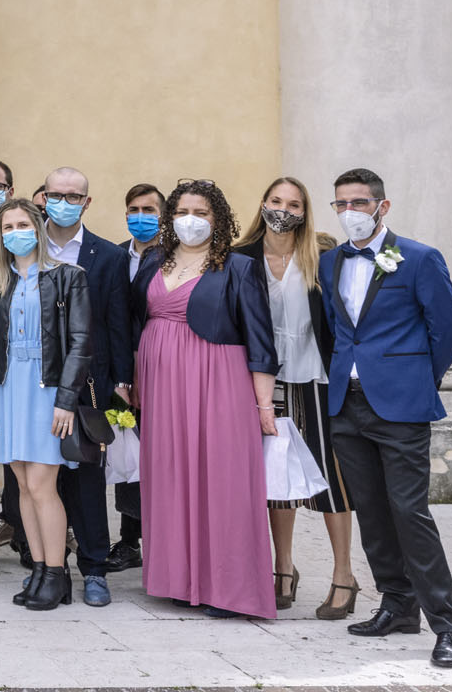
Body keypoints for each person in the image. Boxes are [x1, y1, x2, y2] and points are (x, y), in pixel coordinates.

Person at [319, 168, 452, 668]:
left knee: (409, 511)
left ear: (383, 206)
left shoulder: (420, 258)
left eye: (359, 202)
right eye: (340, 204)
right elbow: (337, 328)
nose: (349, 213)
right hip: (346, 403)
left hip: (401, 404)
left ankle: (447, 624)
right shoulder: (329, 262)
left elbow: (446, 327)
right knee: (372, 512)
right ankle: (397, 605)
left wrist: (420, 380)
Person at [130, 180, 277, 620]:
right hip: (160, 380)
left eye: (202, 213)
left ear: (219, 220)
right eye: (182, 212)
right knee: (171, 474)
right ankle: (179, 578)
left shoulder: (238, 267)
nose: (191, 220)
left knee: (223, 477)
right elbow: (134, 321)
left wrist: (264, 405)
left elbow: (260, 339)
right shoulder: (152, 260)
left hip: (219, 377)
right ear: (170, 217)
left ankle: (227, 587)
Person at [235, 176, 356, 618]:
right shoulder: (239, 259)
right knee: (276, 479)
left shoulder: (322, 258)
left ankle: (344, 573)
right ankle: (282, 569)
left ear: (305, 212)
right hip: (263, 381)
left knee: (329, 475)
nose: (283, 209)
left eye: (293, 203)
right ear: (263, 203)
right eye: (275, 200)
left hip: (316, 378)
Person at [0, 200, 92, 611]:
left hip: (46, 392)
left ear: (38, 228)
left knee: (43, 485)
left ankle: (59, 574)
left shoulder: (67, 277)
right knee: (22, 485)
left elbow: (80, 343)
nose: (15, 232)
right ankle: (40, 569)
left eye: (23, 224)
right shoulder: (0, 283)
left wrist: (65, 400)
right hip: (9, 391)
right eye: (8, 226)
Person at [39, 167, 134, 609]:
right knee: (37, 478)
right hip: (32, 382)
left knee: (87, 479)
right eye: (56, 194)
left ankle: (94, 568)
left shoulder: (109, 257)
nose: (64, 201)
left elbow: (117, 323)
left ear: (87, 202)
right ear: (43, 197)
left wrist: (120, 382)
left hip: (88, 386)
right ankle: (47, 569)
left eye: (73, 195)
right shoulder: (24, 244)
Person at [106, 181, 166, 572]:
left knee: (160, 453)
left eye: (149, 210)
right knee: (128, 449)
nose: (140, 217)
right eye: (133, 209)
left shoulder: (172, 257)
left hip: (162, 364)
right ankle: (129, 540)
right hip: (122, 368)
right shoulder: (114, 256)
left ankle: (162, 537)